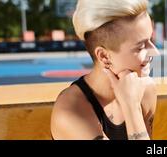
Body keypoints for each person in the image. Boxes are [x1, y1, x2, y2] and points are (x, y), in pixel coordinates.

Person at [51, 0, 159, 140]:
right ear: (104, 57)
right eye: (140, 47)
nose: (155, 52)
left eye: (151, 40)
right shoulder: (71, 112)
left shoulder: (146, 90)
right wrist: (132, 107)